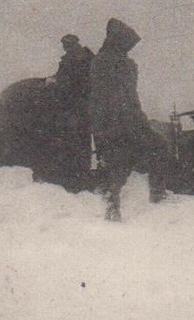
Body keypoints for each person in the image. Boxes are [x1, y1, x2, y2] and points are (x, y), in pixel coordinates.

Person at [89, 18, 167, 220]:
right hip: (122, 123)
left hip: (112, 124)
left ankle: (112, 205)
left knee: (120, 164)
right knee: (158, 147)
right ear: (119, 42)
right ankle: (157, 197)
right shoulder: (116, 64)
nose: (129, 49)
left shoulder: (102, 62)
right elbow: (124, 98)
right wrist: (138, 121)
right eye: (127, 44)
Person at [50, 34, 95, 187]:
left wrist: (58, 81)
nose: (65, 48)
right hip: (76, 107)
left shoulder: (82, 60)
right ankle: (80, 172)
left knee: (79, 140)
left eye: (66, 45)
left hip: (79, 107)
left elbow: (78, 82)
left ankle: (80, 174)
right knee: (78, 140)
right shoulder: (75, 59)